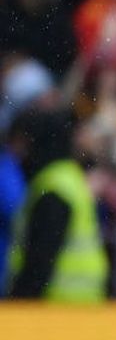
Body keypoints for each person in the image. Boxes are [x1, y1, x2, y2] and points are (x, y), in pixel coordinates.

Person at [4, 106, 104, 301]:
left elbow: (39, 263)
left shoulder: (53, 188)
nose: (19, 152)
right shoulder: (71, 179)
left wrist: (16, 308)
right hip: (83, 306)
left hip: (55, 310)